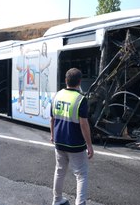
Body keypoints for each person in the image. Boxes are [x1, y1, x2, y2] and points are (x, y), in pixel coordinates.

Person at [50, 68, 94, 205]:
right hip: (75, 144)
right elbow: (84, 124)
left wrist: (52, 135)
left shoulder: (57, 95)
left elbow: (52, 119)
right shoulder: (80, 99)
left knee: (60, 171)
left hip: (59, 141)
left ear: (65, 80)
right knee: (81, 175)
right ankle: (80, 203)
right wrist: (89, 145)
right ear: (79, 82)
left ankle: (57, 200)